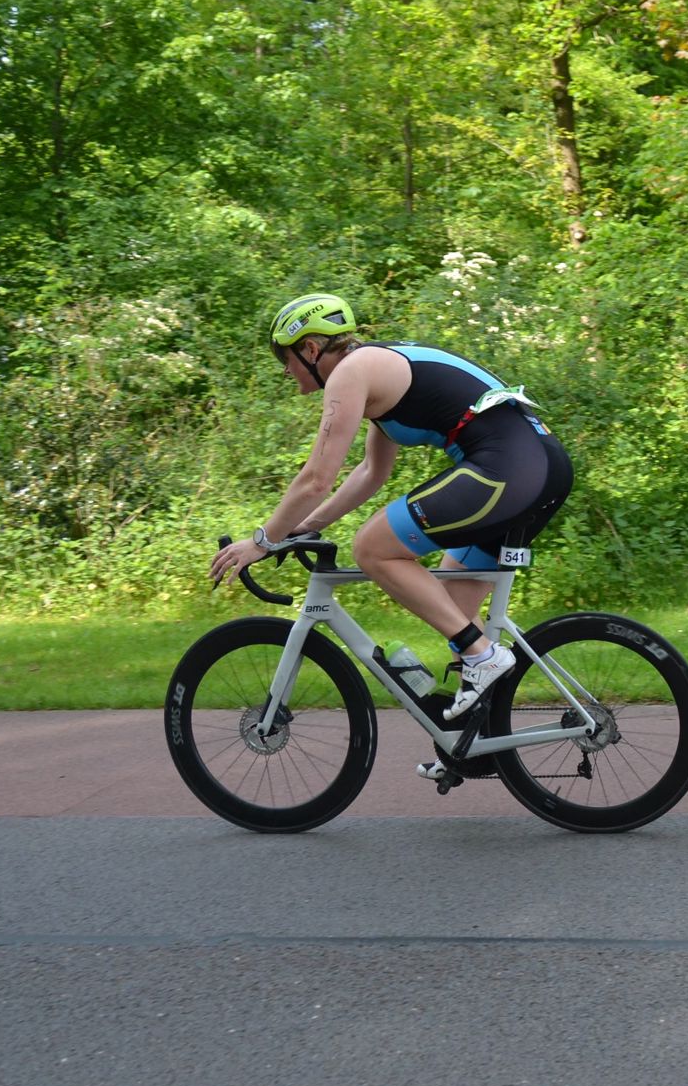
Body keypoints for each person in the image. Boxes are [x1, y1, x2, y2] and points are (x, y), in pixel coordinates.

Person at [209, 293, 573, 775]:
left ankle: (484, 656)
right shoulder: (376, 370)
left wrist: (262, 540)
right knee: (453, 608)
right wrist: (303, 528)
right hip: (538, 466)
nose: (285, 371)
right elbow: (370, 473)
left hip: (509, 468)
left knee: (373, 548)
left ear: (312, 349)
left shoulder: (351, 373)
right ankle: (473, 744)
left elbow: (317, 477)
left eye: (286, 358)